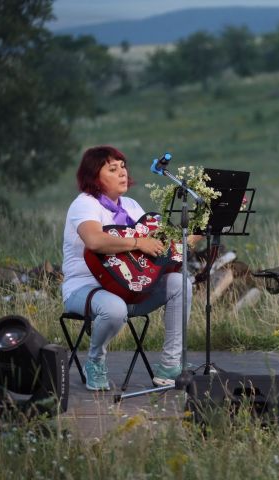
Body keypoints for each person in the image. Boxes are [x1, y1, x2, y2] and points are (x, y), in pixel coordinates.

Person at [61, 146, 195, 391]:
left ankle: (170, 366)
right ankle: (95, 362)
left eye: (123, 166)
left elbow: (162, 248)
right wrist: (138, 242)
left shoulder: (132, 206)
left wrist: (204, 229)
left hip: (131, 288)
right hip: (85, 288)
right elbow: (95, 241)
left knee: (181, 283)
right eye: (113, 169)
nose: (122, 172)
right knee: (114, 307)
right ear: (94, 176)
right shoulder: (85, 205)